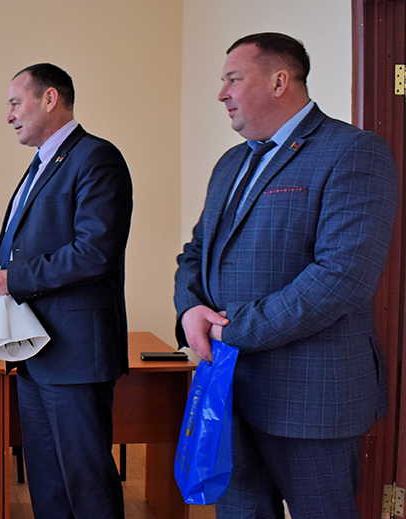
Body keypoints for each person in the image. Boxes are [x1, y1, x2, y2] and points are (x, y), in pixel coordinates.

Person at [174, 33, 399, 519]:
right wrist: (190, 310)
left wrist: (231, 329)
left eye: (234, 79)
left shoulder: (353, 152)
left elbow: (341, 278)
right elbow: (196, 251)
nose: (221, 93)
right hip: (229, 390)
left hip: (311, 398)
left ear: (279, 81)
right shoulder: (231, 163)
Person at [0, 63, 132, 519]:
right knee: (47, 481)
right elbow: (27, 249)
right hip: (34, 350)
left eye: (15, 103)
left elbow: (94, 253)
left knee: (86, 481)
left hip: (75, 354)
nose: (9, 115)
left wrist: (10, 279)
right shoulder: (41, 164)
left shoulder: (96, 158)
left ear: (49, 98)